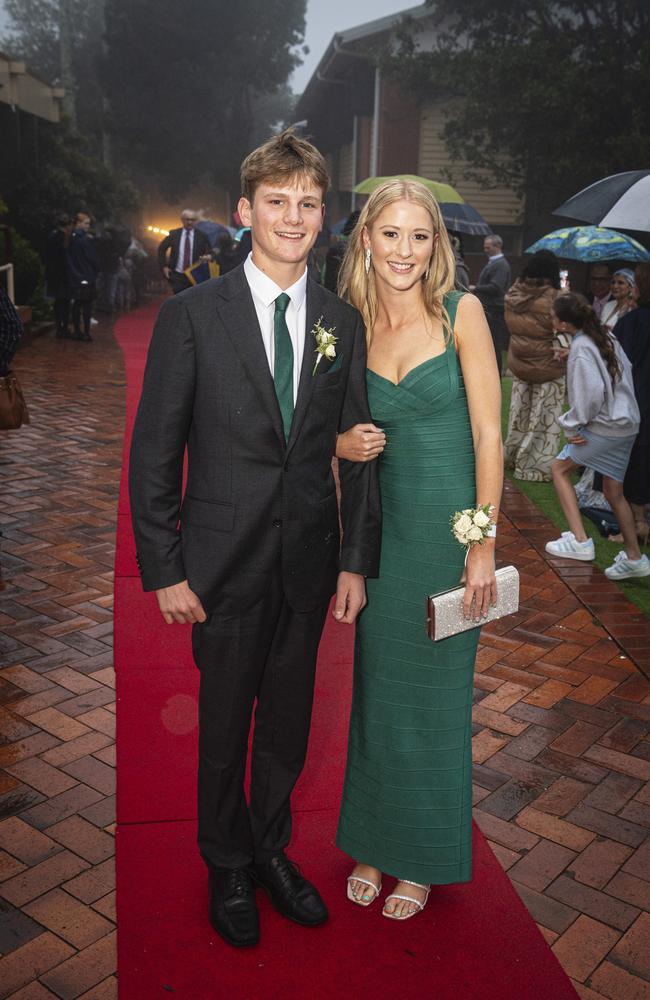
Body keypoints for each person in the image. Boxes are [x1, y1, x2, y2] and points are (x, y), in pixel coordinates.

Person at [129, 129, 381, 948]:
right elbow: (154, 455)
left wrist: (354, 561)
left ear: (323, 214)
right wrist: (165, 568)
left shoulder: (340, 320)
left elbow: (355, 446)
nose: (293, 216)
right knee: (225, 726)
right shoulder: (192, 316)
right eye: (277, 201)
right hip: (221, 565)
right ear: (246, 210)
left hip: (306, 562)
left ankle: (271, 848)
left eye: (308, 203)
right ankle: (227, 862)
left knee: (287, 728)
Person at [335, 179, 502, 920]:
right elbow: (317, 427)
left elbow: (488, 437)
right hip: (383, 537)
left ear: (438, 245)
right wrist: (340, 442)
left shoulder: (461, 312)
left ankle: (420, 858)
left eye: (420, 236)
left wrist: (480, 545)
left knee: (434, 702)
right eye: (391, 234)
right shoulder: (348, 323)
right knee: (377, 692)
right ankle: (371, 838)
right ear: (366, 239)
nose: (405, 251)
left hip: (447, 535)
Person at [545, 293, 649, 580]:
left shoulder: (581, 346)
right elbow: (622, 372)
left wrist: (572, 426)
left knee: (558, 469)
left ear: (564, 323)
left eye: (553, 316)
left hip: (606, 427)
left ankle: (579, 541)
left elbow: (591, 394)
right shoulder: (601, 336)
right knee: (614, 491)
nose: (551, 319)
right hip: (627, 423)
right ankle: (634, 558)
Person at [504, 251, 566, 481]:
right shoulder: (555, 299)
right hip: (548, 366)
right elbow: (562, 330)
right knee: (543, 421)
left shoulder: (513, 293)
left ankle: (510, 456)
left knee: (519, 417)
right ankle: (532, 467)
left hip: (520, 363)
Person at [614, 262, 650, 546]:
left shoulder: (633, 322)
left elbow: (618, 363)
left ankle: (638, 523)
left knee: (636, 459)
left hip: (638, 401)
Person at [470, 233, 511, 373]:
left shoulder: (501, 265)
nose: (485, 250)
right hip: (490, 309)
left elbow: (496, 287)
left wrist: (476, 288)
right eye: (484, 247)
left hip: (494, 310)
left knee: (494, 345)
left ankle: (496, 375)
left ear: (498, 246)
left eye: (488, 247)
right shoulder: (494, 263)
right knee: (489, 345)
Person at [157, 209, 212, 294]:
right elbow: (161, 249)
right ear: (182, 220)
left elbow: (211, 250)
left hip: (195, 274)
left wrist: (209, 256)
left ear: (196, 221)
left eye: (192, 220)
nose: (190, 222)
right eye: (187, 219)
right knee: (179, 301)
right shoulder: (174, 234)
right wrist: (164, 266)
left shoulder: (202, 236)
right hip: (177, 275)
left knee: (194, 300)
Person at [67, 212, 100, 342]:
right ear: (78, 223)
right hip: (86, 274)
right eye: (86, 223)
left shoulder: (71, 239)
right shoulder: (84, 241)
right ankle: (85, 331)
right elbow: (92, 259)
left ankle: (77, 330)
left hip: (75, 275)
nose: (88, 226)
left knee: (77, 304)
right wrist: (96, 269)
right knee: (86, 306)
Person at [44, 214, 73, 338]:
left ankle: (59, 326)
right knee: (65, 301)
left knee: (58, 301)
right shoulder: (66, 238)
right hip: (64, 273)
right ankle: (64, 327)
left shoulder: (52, 235)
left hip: (53, 273)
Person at [601, 268, 636, 333]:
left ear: (631, 287)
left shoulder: (632, 309)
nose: (615, 286)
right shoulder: (608, 305)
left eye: (620, 283)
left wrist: (613, 330)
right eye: (613, 282)